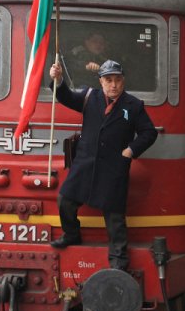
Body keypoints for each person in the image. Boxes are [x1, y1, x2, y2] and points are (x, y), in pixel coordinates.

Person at [48, 59, 158, 271]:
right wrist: (58, 79)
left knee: (114, 215)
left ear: (123, 81)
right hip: (85, 163)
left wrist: (131, 150)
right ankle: (71, 234)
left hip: (114, 167)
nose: (113, 85)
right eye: (108, 80)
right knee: (65, 200)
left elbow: (149, 132)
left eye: (117, 80)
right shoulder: (90, 97)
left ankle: (118, 257)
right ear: (101, 82)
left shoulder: (134, 105)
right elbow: (65, 96)